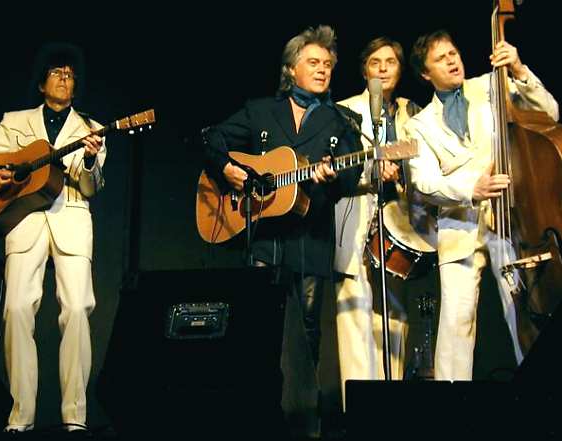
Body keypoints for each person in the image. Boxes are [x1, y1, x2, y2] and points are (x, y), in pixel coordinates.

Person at [203, 25, 363, 439]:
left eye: (328, 64)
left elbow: (352, 176)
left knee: (307, 330)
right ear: (291, 69)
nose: (323, 69)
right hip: (264, 238)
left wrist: (332, 175)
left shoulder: (342, 121)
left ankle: (304, 421)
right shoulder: (260, 111)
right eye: (313, 62)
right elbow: (212, 139)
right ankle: (255, 412)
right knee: (258, 323)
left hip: (311, 239)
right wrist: (228, 169)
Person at [0, 43, 106, 437]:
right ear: (42, 84)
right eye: (56, 71)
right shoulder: (16, 123)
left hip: (71, 216)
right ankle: (20, 416)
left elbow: (91, 187)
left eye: (70, 74)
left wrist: (89, 159)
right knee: (17, 308)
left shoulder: (91, 128)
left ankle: (75, 416)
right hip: (24, 218)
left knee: (77, 309)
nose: (64, 77)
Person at [403, 30, 558, 381]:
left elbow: (550, 113)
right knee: (456, 323)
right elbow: (423, 182)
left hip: (512, 219)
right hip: (460, 225)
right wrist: (471, 188)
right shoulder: (419, 124)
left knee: (524, 312)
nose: (452, 61)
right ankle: (451, 402)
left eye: (453, 53)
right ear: (425, 73)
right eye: (440, 58)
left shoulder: (491, 84)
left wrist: (518, 69)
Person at [334, 37, 433, 403]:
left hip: (398, 228)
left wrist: (402, 171)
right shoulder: (345, 111)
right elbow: (337, 168)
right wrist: (372, 171)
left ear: (400, 69)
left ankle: (389, 408)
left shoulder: (413, 112)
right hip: (357, 221)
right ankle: (358, 411)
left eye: (390, 61)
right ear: (364, 70)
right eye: (374, 62)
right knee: (355, 319)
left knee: (394, 319)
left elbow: (425, 160)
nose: (382, 68)